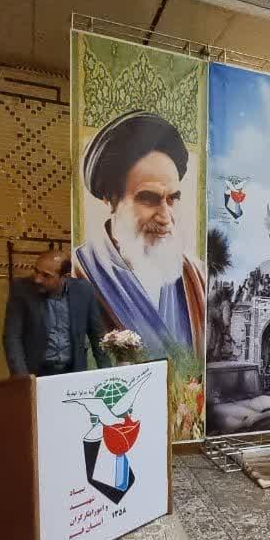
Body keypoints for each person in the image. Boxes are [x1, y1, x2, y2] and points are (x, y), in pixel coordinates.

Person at [74, 110, 206, 358]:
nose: (165, 217)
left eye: (172, 199)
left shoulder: (196, 276)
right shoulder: (79, 273)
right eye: (149, 199)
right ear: (110, 198)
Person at [4, 250, 111, 377]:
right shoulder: (22, 289)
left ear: (65, 277)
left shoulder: (83, 290)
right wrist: (23, 378)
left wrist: (107, 375)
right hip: (36, 373)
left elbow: (97, 335)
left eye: (46, 275)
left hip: (74, 373)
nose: (38, 279)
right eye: (36, 271)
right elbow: (12, 337)